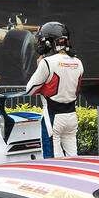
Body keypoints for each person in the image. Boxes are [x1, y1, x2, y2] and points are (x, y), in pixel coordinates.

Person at [23, 22, 83, 158]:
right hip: (71, 116)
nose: (41, 44)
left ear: (50, 42)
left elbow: (30, 90)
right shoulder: (78, 62)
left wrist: (39, 67)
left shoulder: (47, 63)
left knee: (52, 162)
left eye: (43, 40)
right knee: (75, 159)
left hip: (53, 117)